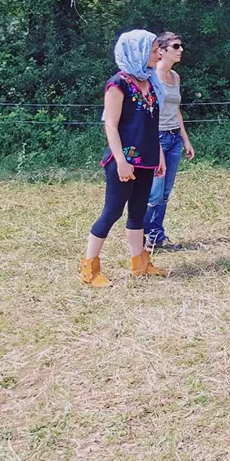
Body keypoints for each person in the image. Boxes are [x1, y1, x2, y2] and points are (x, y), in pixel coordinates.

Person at [80, 30, 169, 287]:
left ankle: (138, 264)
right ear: (137, 52)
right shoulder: (117, 84)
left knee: (138, 213)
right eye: (154, 50)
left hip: (148, 159)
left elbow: (152, 125)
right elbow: (110, 125)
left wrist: (159, 154)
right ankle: (89, 269)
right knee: (112, 212)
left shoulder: (151, 82)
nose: (159, 53)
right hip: (123, 160)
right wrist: (120, 160)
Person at [143, 32, 196, 250]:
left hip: (174, 137)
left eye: (181, 46)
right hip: (157, 138)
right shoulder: (150, 77)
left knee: (165, 192)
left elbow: (177, 110)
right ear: (162, 50)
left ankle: (157, 237)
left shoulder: (175, 77)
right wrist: (156, 146)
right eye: (176, 46)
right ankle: (143, 238)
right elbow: (147, 116)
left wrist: (185, 140)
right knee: (154, 192)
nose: (181, 49)